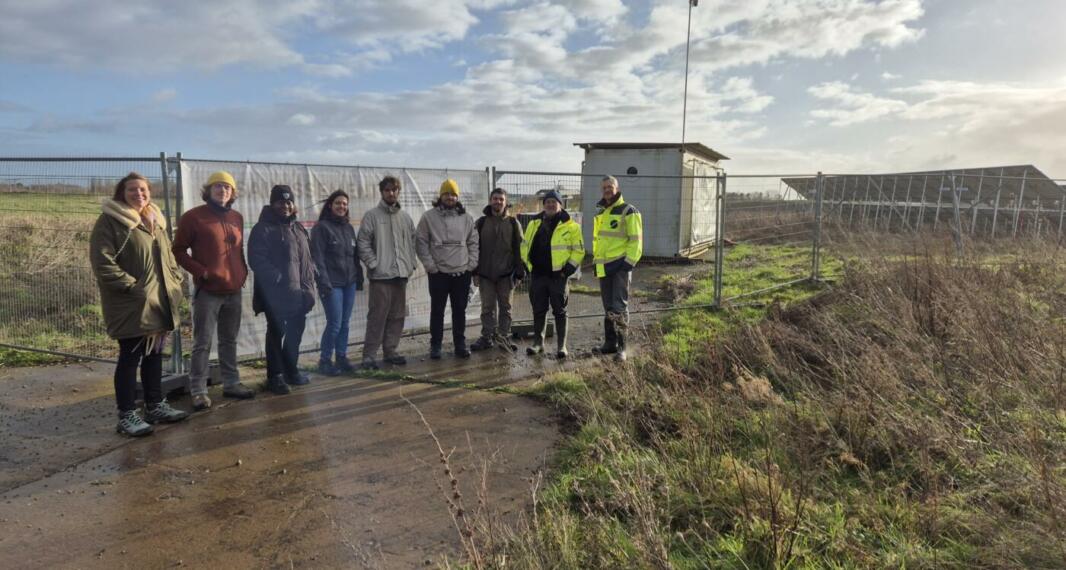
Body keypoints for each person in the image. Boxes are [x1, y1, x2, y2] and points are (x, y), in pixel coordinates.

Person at [89, 172, 189, 436]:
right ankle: (126, 415)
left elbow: (168, 257)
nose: (139, 194)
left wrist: (175, 279)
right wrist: (133, 288)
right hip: (132, 305)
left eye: (143, 190)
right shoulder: (111, 221)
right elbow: (102, 262)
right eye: (132, 190)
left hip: (161, 301)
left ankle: (154, 405)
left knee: (155, 356)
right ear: (121, 193)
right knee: (130, 358)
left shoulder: (156, 221)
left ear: (150, 193)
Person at [171, 170, 255, 411]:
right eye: (217, 187)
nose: (222, 191)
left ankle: (231, 383)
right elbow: (178, 250)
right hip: (208, 291)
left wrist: (243, 272)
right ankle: (198, 390)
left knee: (229, 340)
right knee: (203, 342)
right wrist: (201, 272)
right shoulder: (193, 217)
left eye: (227, 187)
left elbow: (237, 251)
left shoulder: (236, 217)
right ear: (208, 191)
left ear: (232, 193)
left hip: (234, 290)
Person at [247, 184, 316, 394]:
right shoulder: (263, 228)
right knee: (276, 333)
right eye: (280, 202)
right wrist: (277, 277)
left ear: (293, 204)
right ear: (272, 203)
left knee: (295, 333)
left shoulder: (299, 228)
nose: (285, 206)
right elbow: (256, 259)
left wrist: (313, 273)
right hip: (275, 294)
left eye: (288, 202)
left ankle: (291, 370)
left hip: (300, 293)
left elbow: (306, 256)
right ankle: (274, 376)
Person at [357, 175, 418, 369]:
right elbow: (363, 243)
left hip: (400, 276)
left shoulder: (405, 218)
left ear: (398, 192)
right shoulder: (372, 216)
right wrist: (374, 264)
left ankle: (390, 351)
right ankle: (369, 355)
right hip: (381, 277)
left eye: (394, 190)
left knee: (397, 316)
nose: (391, 193)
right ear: (382, 192)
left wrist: (410, 265)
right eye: (387, 190)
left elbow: (412, 243)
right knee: (377, 317)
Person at [416, 179, 479, 359]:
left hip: (461, 274)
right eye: (446, 194)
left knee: (459, 310)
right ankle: (435, 345)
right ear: (440, 196)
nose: (450, 197)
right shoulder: (428, 217)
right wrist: (430, 266)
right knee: (437, 310)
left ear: (457, 197)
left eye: (453, 194)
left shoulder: (467, 218)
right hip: (438, 274)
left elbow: (473, 242)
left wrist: (470, 265)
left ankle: (460, 344)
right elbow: (420, 242)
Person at [520, 190, 583, 358]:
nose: (550, 204)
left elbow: (578, 251)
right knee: (538, 309)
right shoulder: (534, 223)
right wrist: (527, 266)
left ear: (560, 204)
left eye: (554, 202)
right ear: (544, 205)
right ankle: (538, 343)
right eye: (547, 202)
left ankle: (561, 346)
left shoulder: (571, 226)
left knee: (560, 311)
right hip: (538, 275)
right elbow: (524, 246)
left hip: (558, 277)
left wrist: (567, 270)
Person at [310, 190, 364, 376]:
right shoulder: (321, 228)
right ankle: (325, 360)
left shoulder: (348, 228)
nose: (342, 206)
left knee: (345, 323)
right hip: (332, 284)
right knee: (334, 323)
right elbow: (317, 259)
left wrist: (359, 278)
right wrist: (324, 283)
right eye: (338, 203)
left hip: (349, 282)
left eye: (345, 204)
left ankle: (341, 357)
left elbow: (354, 256)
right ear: (330, 206)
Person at [592, 175, 643, 362]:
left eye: (610, 186)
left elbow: (636, 240)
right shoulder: (601, 211)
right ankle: (609, 344)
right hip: (603, 266)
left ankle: (622, 348)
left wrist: (628, 264)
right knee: (608, 307)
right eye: (604, 187)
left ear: (617, 188)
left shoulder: (629, 211)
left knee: (619, 307)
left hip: (620, 265)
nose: (607, 189)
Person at [471, 188, 523, 352]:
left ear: (506, 202)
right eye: (495, 198)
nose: (498, 202)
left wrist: (520, 272)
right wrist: (475, 272)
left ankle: (504, 337)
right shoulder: (481, 223)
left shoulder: (514, 223)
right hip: (485, 275)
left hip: (506, 275)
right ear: (490, 201)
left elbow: (519, 249)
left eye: (501, 199)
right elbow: (474, 249)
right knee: (487, 308)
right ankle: (487, 337)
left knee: (506, 308)